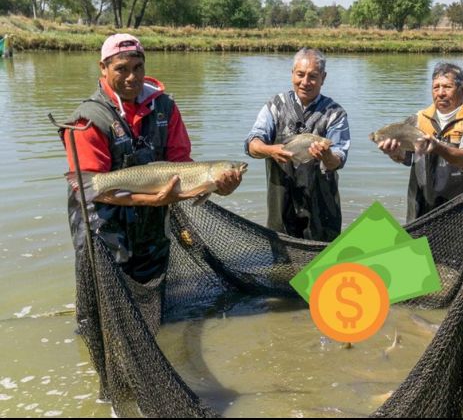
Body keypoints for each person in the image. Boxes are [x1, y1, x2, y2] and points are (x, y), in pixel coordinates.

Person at [62, 34, 242, 284]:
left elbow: (182, 163)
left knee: (152, 291)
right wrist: (154, 199)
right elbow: (89, 190)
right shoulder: (87, 119)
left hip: (152, 228)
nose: (132, 77)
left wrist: (216, 187)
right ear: (103, 68)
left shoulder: (165, 107)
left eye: (138, 67)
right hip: (103, 227)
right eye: (121, 69)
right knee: (110, 293)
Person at [244, 48, 350, 241]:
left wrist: (327, 156)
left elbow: (338, 159)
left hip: (323, 212)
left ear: (323, 78)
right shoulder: (275, 106)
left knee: (324, 259)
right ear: (292, 73)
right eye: (300, 74)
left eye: (313, 76)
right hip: (281, 208)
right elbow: (252, 144)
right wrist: (270, 150)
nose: (305, 82)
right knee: (282, 258)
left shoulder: (335, 114)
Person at [378, 62, 463, 221]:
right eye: (436, 87)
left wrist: (437, 146)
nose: (441, 93)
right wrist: (394, 153)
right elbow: (405, 158)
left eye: (447, 87)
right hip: (419, 206)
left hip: (461, 208)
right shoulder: (417, 119)